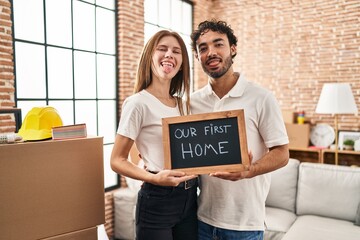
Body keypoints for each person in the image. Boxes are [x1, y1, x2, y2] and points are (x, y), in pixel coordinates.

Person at [190, 19, 289, 240]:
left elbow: (282, 154)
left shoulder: (261, 98)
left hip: (245, 225)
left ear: (233, 49)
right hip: (201, 220)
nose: (211, 52)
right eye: (203, 48)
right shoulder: (193, 102)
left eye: (218, 44)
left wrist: (249, 170)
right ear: (197, 57)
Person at [110, 30, 198, 240]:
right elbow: (116, 160)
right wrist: (154, 178)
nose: (169, 54)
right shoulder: (137, 103)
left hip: (190, 197)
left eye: (176, 51)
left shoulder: (184, 105)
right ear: (150, 55)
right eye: (162, 48)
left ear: (182, 63)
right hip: (158, 201)